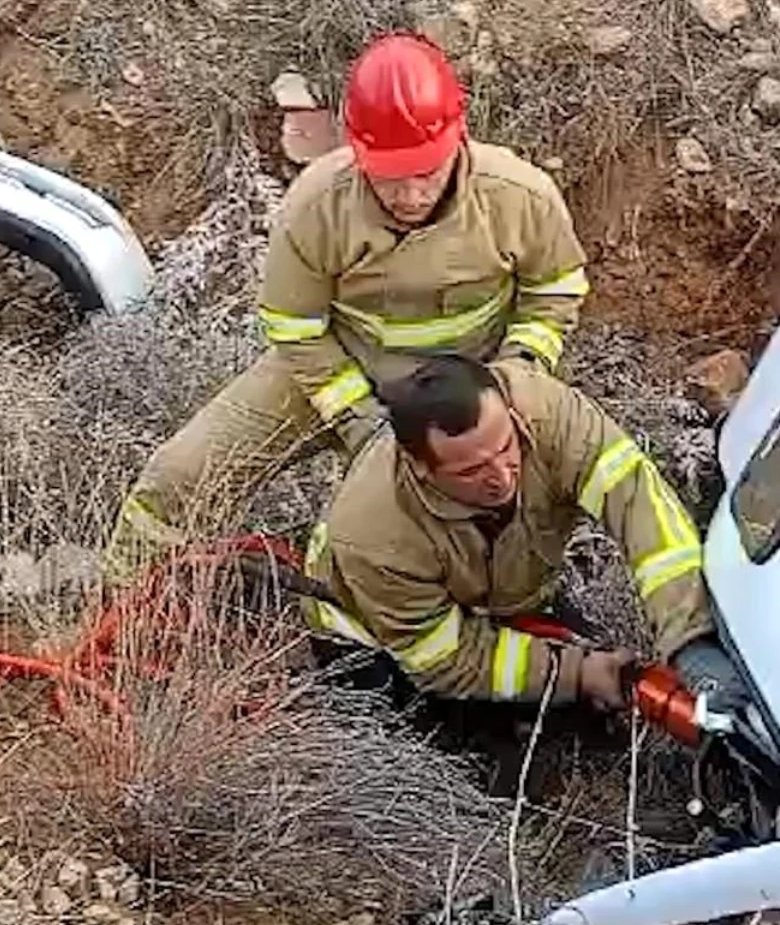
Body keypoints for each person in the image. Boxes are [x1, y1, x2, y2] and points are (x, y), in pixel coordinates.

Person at [104, 34, 589, 585]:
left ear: (461, 136)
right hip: (340, 370)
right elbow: (295, 327)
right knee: (178, 480)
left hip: (469, 389)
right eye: (389, 175)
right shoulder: (316, 205)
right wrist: (359, 419)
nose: (408, 195)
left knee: (496, 522)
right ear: (355, 150)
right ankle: (124, 618)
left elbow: (556, 288)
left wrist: (516, 376)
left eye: (424, 171)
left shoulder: (519, 196)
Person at [303, 355, 743, 711]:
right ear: (421, 468)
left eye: (506, 446)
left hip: (498, 592)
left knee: (588, 715)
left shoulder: (551, 415)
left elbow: (643, 514)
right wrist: (578, 675)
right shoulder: (374, 533)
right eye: (473, 469)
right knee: (457, 752)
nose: (502, 477)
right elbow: (444, 660)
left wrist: (690, 642)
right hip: (379, 640)